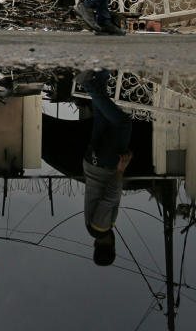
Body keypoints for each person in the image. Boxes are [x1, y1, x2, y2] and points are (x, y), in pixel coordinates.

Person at [78, 69, 133, 266]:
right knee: (101, 118)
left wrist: (120, 170)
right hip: (91, 165)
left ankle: (89, 85)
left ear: (110, 247)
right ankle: (100, 72)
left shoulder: (101, 228)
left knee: (123, 124)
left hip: (104, 166)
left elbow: (110, 197)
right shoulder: (91, 227)